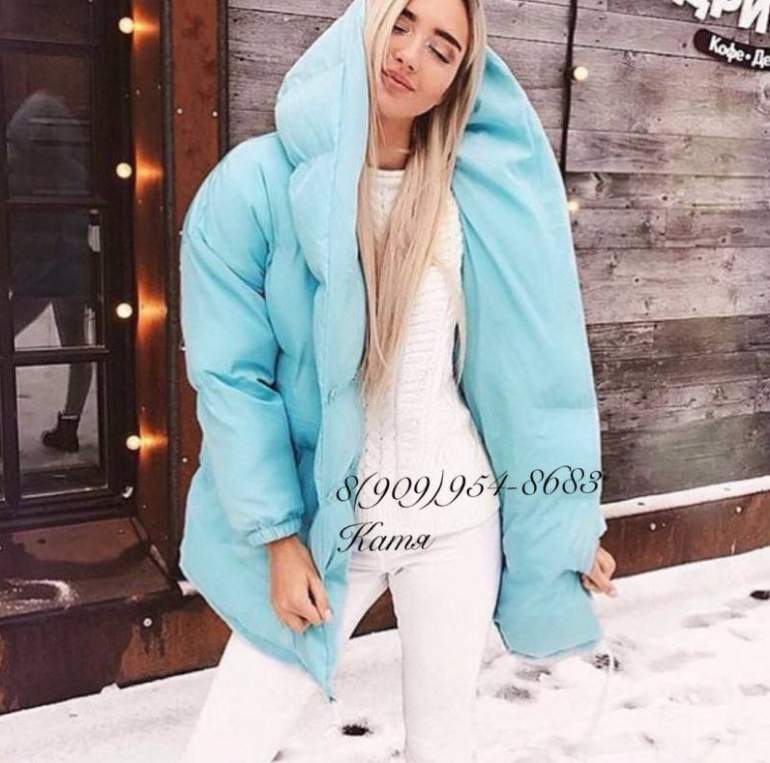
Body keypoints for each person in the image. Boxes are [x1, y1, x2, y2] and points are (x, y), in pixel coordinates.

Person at [179, 0, 617, 761]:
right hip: (324, 528)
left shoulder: (472, 194)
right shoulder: (255, 184)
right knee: (227, 744)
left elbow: (529, 374)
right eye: (403, 22)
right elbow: (232, 378)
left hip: (459, 520)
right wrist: (278, 538)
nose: (412, 53)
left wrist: (565, 527)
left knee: (445, 745)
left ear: (456, 81)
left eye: (443, 49)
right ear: (367, 21)